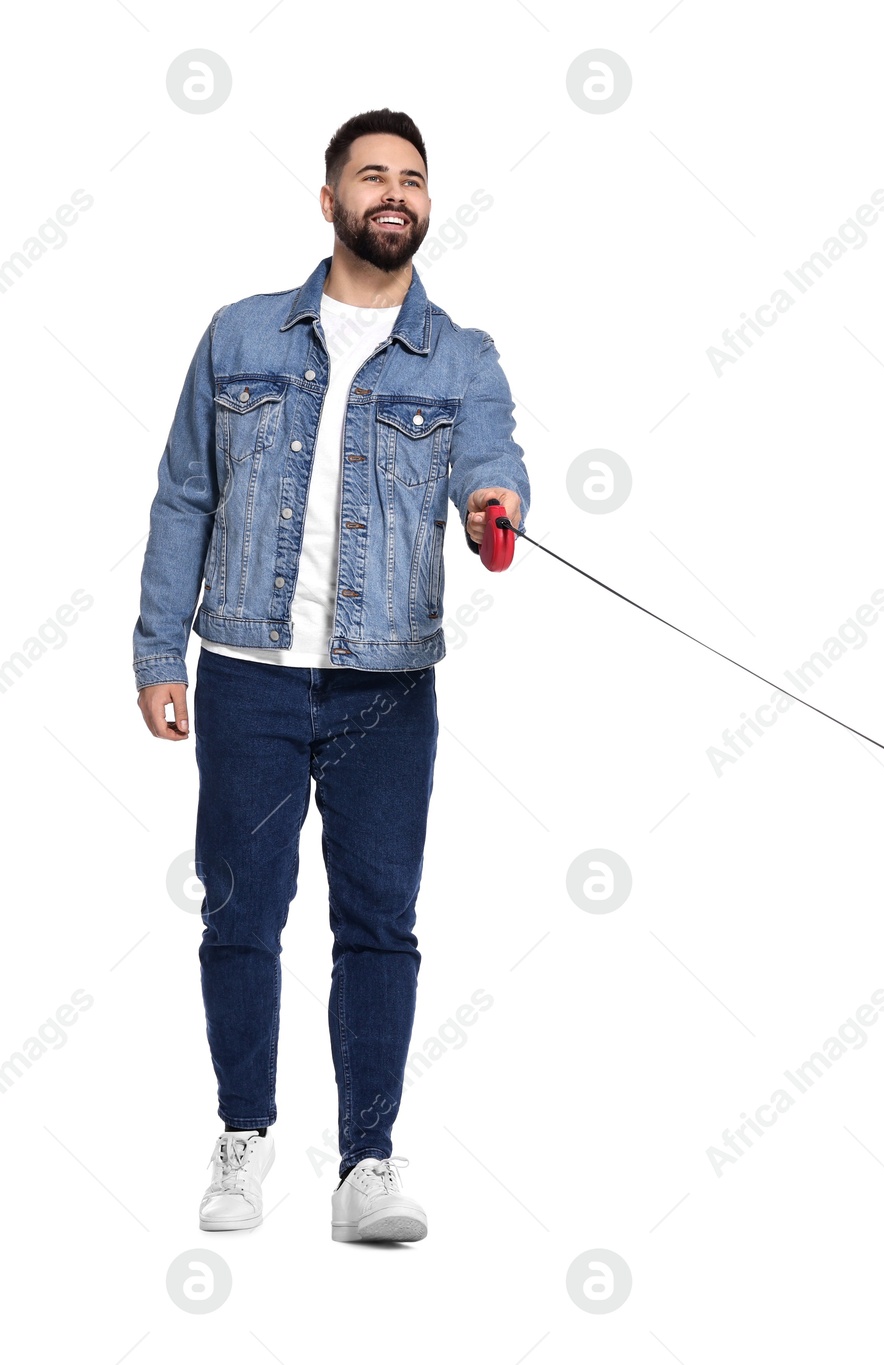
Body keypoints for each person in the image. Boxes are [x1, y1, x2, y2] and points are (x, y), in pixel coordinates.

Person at [131, 108, 531, 1243]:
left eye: (412, 178)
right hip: (248, 671)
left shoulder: (462, 356)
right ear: (330, 201)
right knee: (241, 912)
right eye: (372, 176)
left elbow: (492, 458)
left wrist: (495, 510)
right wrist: (160, 650)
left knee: (379, 922)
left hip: (387, 684)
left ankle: (367, 1165)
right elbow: (182, 496)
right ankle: (244, 1138)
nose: (394, 193)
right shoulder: (242, 335)